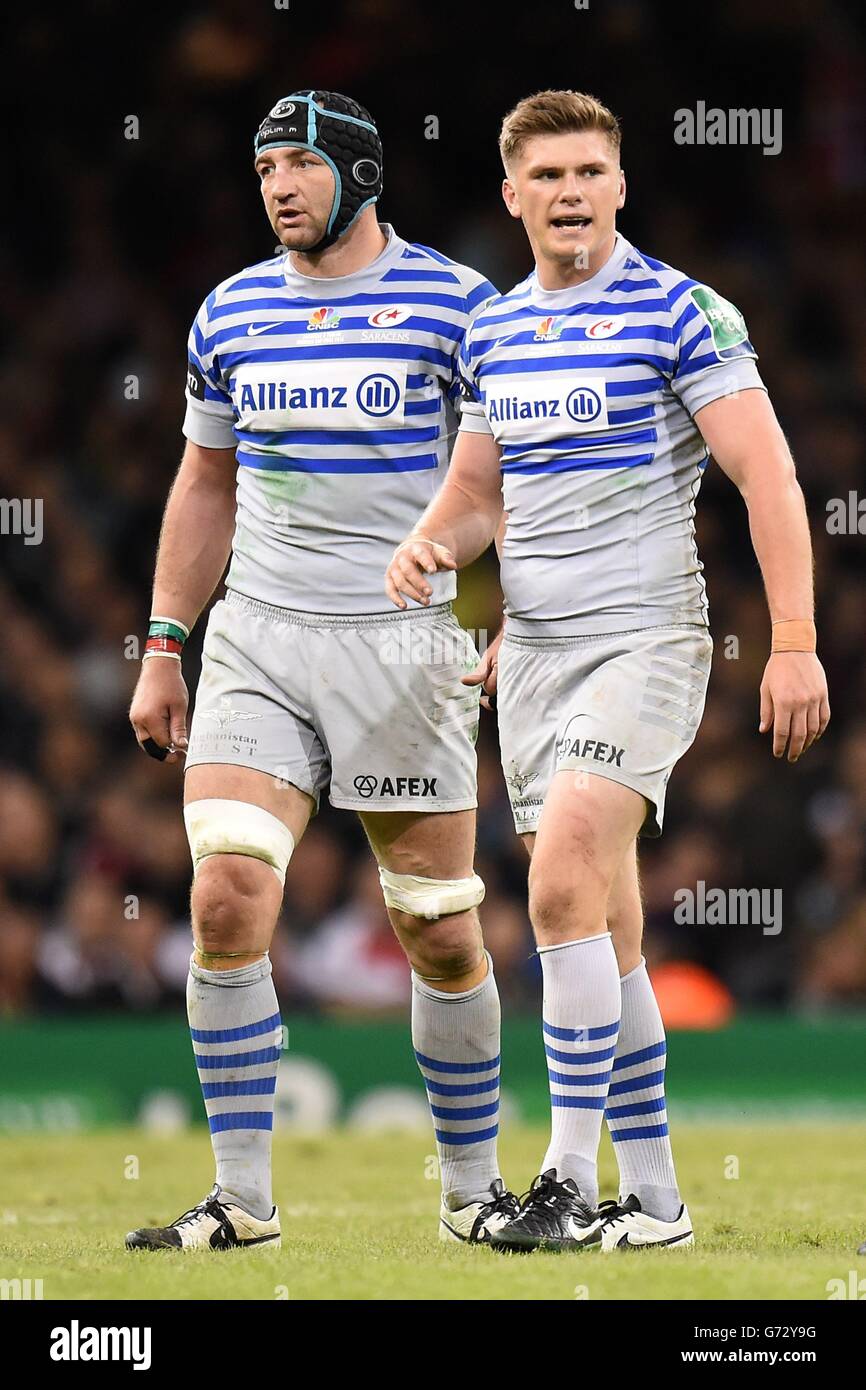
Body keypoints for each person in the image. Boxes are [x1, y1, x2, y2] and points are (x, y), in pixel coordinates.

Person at [385, 89, 830, 1252]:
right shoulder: (490, 332)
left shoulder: (684, 312)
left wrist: (791, 639)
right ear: (511, 196)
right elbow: (479, 495)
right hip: (528, 655)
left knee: (562, 869)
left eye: (589, 171)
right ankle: (661, 1203)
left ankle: (565, 1179)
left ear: (620, 185)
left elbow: (768, 479)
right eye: (547, 177)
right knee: (603, 927)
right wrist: (432, 540)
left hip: (645, 640)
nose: (569, 193)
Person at [126, 90, 518, 1252]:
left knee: (438, 928)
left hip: (402, 647)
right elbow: (204, 485)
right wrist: (162, 644)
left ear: (359, 174)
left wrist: (520, 615)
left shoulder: (460, 305)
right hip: (260, 633)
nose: (279, 186)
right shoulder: (230, 311)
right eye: (263, 170)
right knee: (224, 892)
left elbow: (517, 480)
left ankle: (469, 1197)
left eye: (299, 163)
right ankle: (242, 1200)